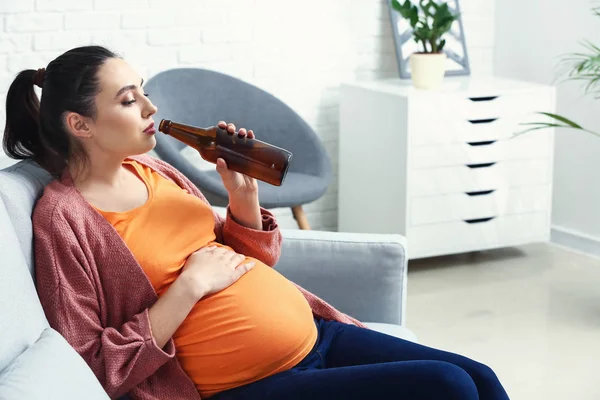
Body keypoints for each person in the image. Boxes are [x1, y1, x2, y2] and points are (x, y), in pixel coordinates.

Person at [3, 46, 510, 400]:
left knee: (480, 377)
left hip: (315, 336)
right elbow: (94, 363)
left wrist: (244, 199)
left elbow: (245, 259)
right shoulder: (61, 219)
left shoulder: (154, 168)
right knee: (449, 388)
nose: (152, 109)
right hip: (245, 386)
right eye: (129, 100)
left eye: (144, 91)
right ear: (80, 124)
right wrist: (188, 288)